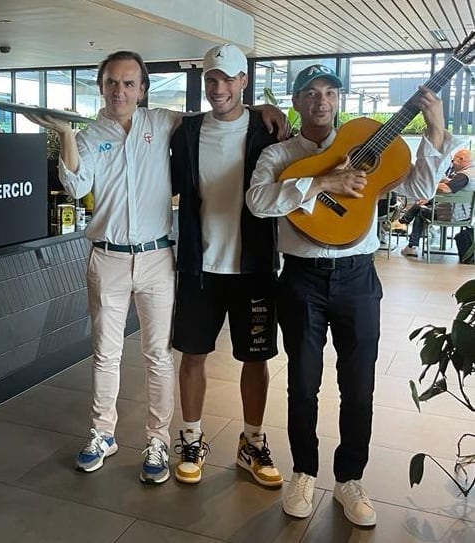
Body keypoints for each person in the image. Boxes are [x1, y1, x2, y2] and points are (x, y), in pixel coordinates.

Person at [23, 50, 287, 485]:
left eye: (129, 83)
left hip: (157, 258)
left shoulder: (162, 123)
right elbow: (75, 186)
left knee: (159, 356)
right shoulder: (89, 135)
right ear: (101, 86)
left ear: (143, 90)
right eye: (111, 83)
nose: (120, 91)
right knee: (105, 354)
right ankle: (102, 434)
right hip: (106, 257)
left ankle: (158, 440)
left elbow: (219, 112)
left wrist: (262, 108)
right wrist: (68, 134)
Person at [246, 63, 456, 527]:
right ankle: (303, 471)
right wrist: (321, 183)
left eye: (330, 93)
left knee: (358, 386)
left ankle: (349, 479)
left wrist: (436, 129)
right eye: (311, 93)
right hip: (301, 277)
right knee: (302, 384)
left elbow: (420, 187)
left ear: (338, 101)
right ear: (297, 103)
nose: (321, 101)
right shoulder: (280, 155)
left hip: (358, 277)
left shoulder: (368, 142)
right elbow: (258, 201)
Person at [169, 44, 282, 488]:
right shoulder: (187, 130)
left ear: (243, 82)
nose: (217, 89)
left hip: (253, 265)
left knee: (256, 358)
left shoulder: (268, 129)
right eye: (210, 80)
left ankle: (252, 443)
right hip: (201, 266)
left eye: (226, 80)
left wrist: (269, 108)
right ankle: (192, 439)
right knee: (192, 353)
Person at [399, 148, 475, 257]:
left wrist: (430, 185)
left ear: (462, 159)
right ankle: (406, 219)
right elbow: (456, 186)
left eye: (453, 161)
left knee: (421, 211)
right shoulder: (470, 174)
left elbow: (446, 189)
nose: (452, 164)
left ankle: (412, 246)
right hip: (466, 214)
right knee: (424, 202)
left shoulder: (464, 175)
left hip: (451, 215)